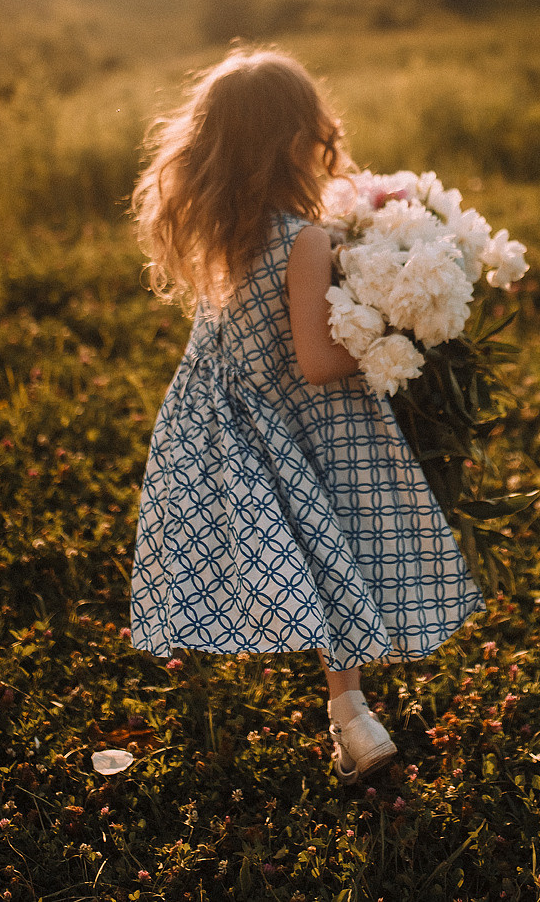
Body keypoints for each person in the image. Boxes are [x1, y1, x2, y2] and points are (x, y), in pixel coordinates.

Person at [129, 49, 484, 783]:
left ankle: (351, 719)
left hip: (224, 425)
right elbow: (317, 362)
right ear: (297, 141)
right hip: (302, 426)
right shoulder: (304, 239)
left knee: (313, 564)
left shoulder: (221, 235)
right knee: (338, 555)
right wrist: (394, 335)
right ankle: (350, 713)